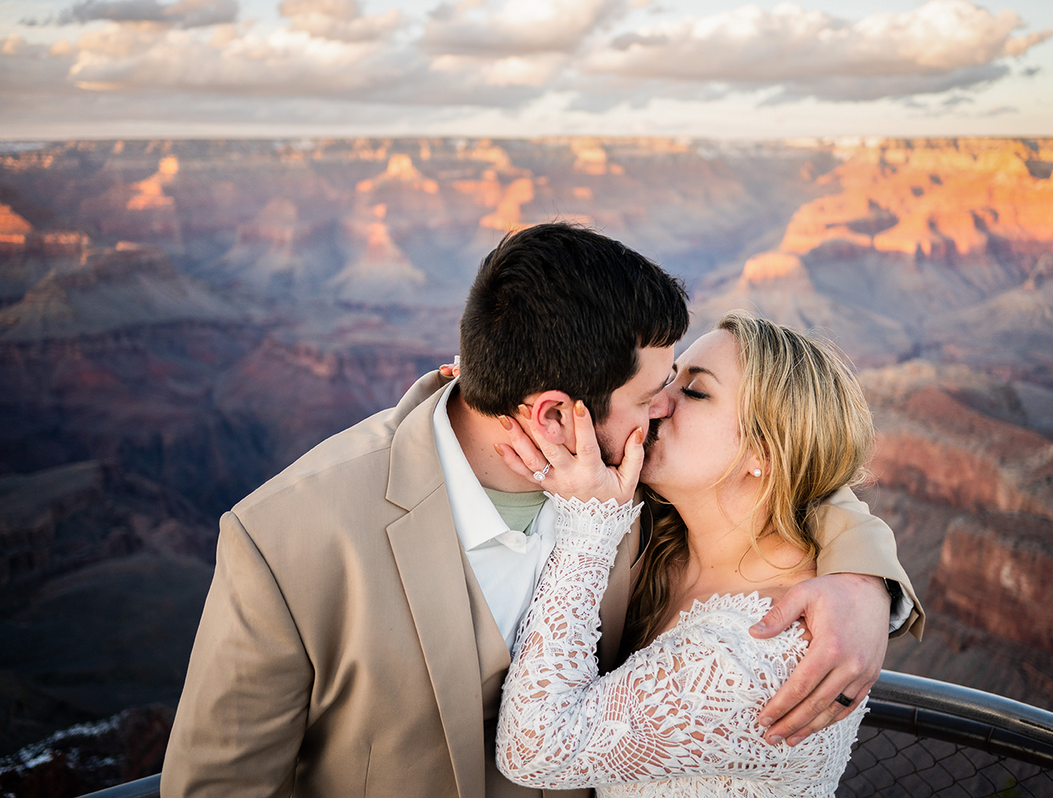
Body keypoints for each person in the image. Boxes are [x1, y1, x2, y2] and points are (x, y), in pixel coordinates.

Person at [162, 223, 923, 798]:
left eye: (683, 388)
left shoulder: (641, 491)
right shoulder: (286, 541)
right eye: (659, 390)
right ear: (557, 415)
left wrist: (864, 581)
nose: (662, 410)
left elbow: (790, 481)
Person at [495, 312, 900, 796]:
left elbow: (533, 751)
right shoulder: (665, 536)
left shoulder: (763, 652)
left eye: (695, 392)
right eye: (669, 379)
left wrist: (588, 526)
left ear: (764, 452)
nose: (658, 402)